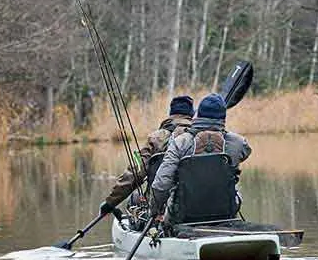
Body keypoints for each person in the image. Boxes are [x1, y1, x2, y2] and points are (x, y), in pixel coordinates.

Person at [148, 92, 251, 226]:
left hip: (183, 217)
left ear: (199, 114)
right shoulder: (238, 143)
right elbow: (245, 152)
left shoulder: (179, 142)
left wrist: (154, 211)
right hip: (226, 213)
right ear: (223, 118)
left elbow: (161, 184)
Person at [97, 95, 194, 217]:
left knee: (134, 199)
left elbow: (135, 171)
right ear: (191, 114)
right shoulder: (199, 138)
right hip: (194, 204)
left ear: (171, 114)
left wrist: (110, 202)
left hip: (159, 207)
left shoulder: (154, 138)